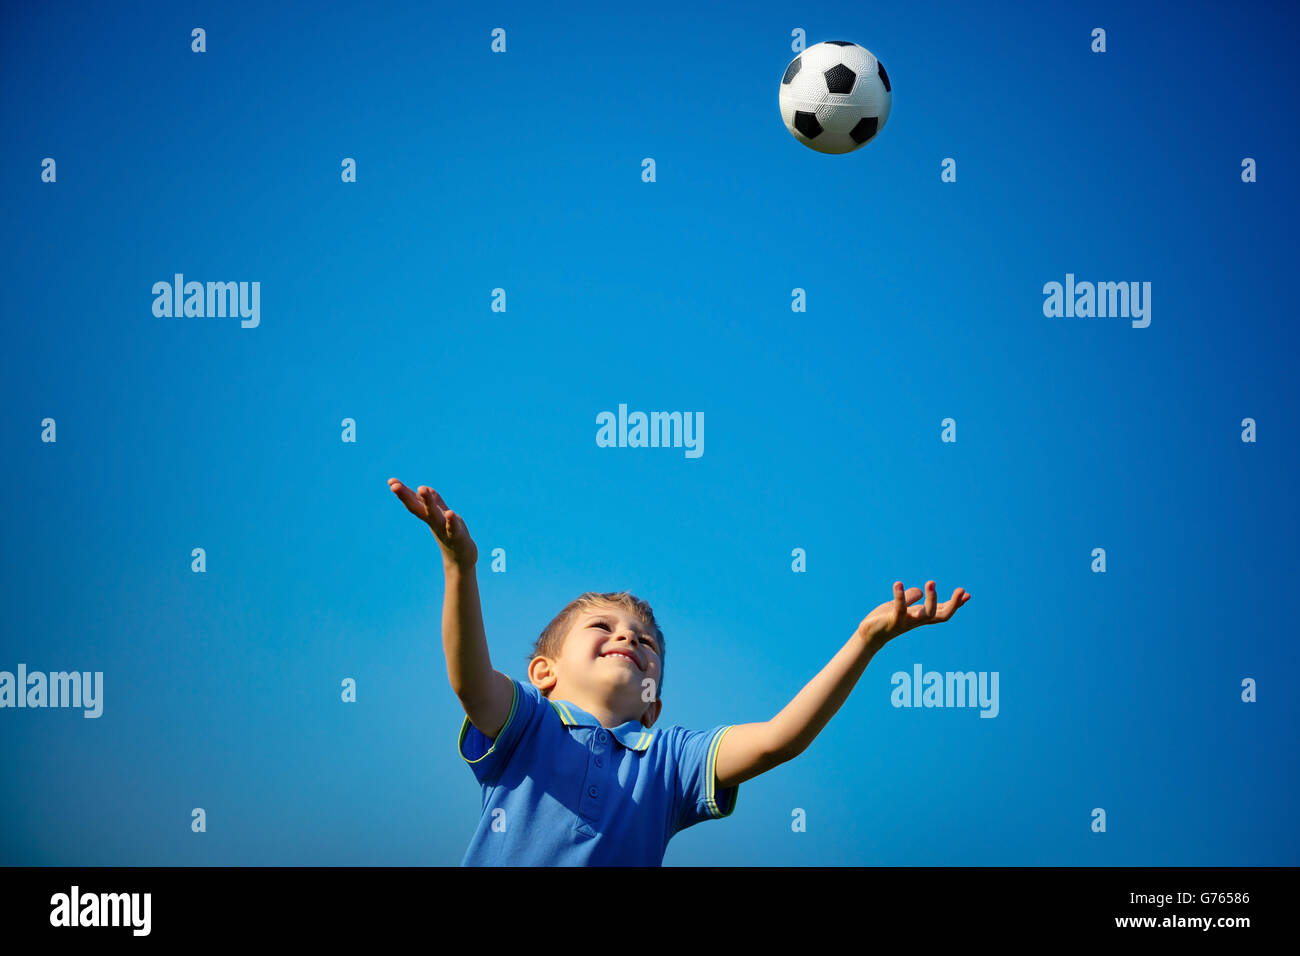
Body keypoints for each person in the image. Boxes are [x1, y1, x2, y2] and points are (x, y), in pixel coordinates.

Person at [388, 478, 971, 865]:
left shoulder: (669, 763)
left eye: (645, 642)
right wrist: (461, 567)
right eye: (604, 628)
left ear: (652, 703)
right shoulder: (527, 726)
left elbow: (777, 740)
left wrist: (865, 641)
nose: (627, 639)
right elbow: (469, 681)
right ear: (543, 672)